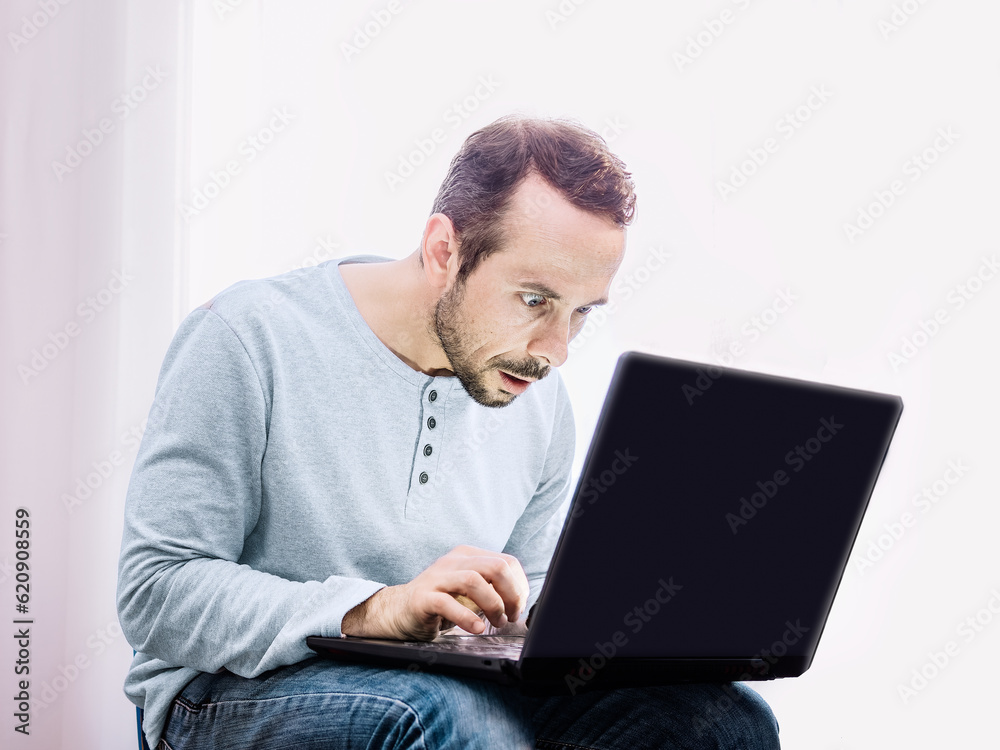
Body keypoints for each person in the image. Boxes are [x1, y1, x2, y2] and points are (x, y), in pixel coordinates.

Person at [117, 115, 780, 749]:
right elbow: (157, 589)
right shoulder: (247, 337)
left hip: (448, 690)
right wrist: (371, 610)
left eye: (581, 313)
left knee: (722, 722)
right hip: (227, 695)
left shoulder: (538, 401)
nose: (556, 350)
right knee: (438, 717)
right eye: (535, 300)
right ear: (444, 251)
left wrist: (620, 616)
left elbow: (536, 590)